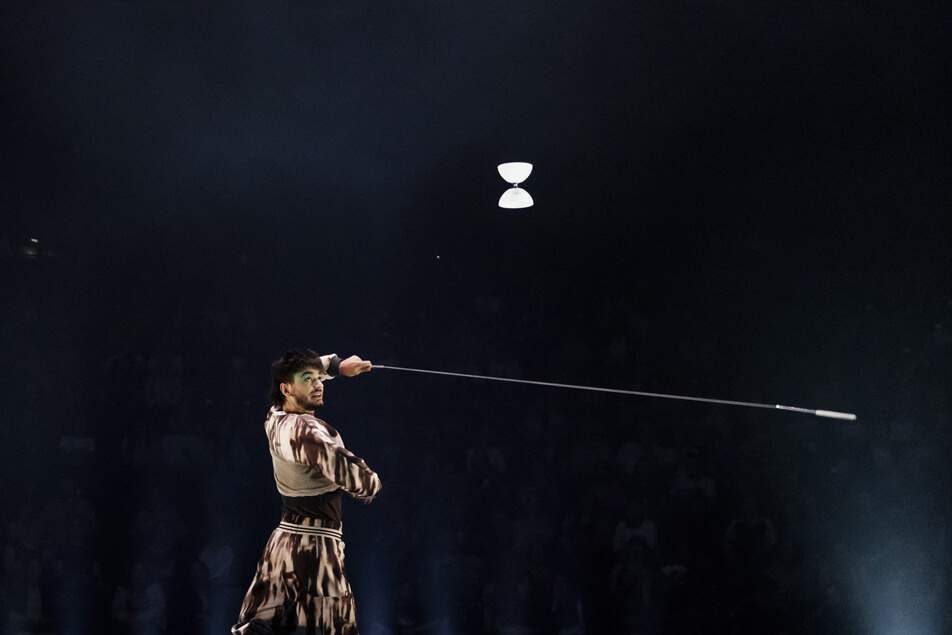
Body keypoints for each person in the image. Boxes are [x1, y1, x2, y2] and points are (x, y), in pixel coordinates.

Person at [232, 350, 381, 635]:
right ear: (286, 389)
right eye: (308, 380)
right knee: (333, 627)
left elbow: (306, 370)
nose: (318, 383)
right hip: (317, 549)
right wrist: (373, 482)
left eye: (318, 378)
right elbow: (359, 480)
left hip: (283, 543)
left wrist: (337, 366)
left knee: (261, 624)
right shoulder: (307, 431)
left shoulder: (275, 418)